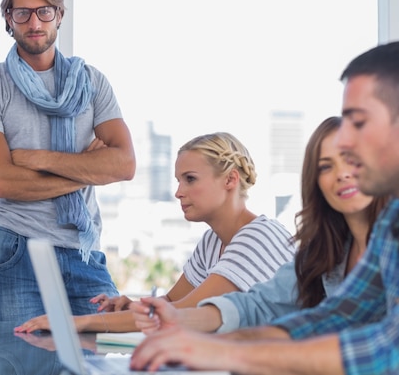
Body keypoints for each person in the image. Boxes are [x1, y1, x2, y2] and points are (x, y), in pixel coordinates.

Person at [129, 41, 399, 374]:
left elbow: (396, 350)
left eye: (358, 122)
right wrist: (190, 346)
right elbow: (332, 318)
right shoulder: (398, 224)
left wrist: (222, 353)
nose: (348, 145)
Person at [0, 0, 136, 323]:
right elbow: (1, 183)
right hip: (18, 248)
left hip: (83, 249)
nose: (34, 21)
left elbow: (123, 165)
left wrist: (36, 159)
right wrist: (87, 171)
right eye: (22, 13)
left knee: (102, 354)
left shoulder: (91, 81)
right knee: (22, 360)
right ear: (8, 21)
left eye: (45, 11)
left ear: (59, 15)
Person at [15, 131, 296, 333]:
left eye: (190, 179)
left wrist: (74, 322)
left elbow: (181, 313)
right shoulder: (213, 241)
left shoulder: (258, 238)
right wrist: (131, 307)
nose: (178, 192)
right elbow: (171, 302)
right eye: (178, 180)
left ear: (230, 180)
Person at [130, 116, 388, 335]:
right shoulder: (323, 253)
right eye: (326, 166)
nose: (342, 174)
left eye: (352, 160)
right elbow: (257, 306)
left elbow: (384, 346)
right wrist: (176, 319)